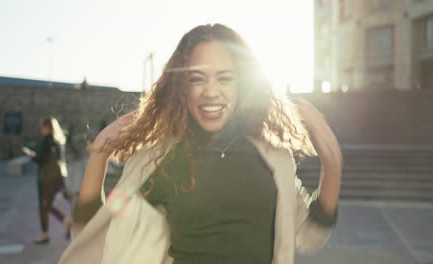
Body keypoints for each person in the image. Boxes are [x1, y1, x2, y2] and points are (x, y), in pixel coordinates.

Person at [60, 24, 343, 264]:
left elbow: (308, 237)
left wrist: (332, 166)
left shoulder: (272, 158)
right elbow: (96, 232)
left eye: (225, 78)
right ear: (181, 86)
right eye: (197, 78)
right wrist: (99, 153)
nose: (211, 92)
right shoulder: (158, 161)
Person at [27, 117, 72, 244]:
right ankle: (65, 223)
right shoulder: (59, 140)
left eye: (42, 127)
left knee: (44, 205)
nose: (41, 129)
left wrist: (33, 156)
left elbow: (41, 160)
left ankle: (45, 234)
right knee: (49, 204)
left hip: (46, 178)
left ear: (47, 127)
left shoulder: (47, 140)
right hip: (58, 176)